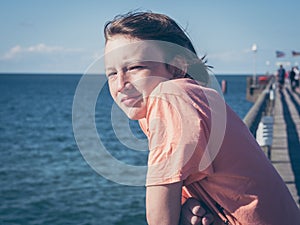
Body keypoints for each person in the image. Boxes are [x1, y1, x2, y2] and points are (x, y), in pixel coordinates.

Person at [103, 11, 300, 225]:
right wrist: (188, 204)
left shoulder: (170, 96)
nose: (120, 84)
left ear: (177, 67)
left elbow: (160, 220)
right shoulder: (198, 96)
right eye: (111, 73)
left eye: (135, 67)